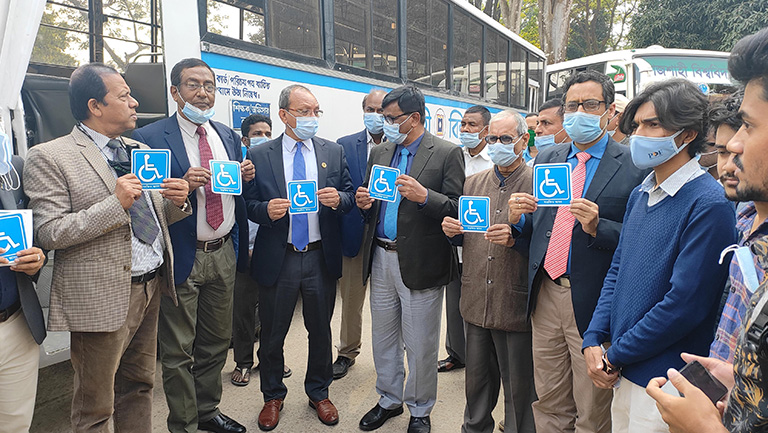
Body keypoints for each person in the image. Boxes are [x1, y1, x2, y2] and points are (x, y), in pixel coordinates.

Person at [24, 62, 191, 433]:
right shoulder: (51, 156)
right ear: (95, 106)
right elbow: (49, 231)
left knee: (140, 386)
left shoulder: (138, 148)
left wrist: (177, 202)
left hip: (150, 285)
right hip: (100, 296)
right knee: (95, 407)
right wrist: (115, 205)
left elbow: (150, 215)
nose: (135, 103)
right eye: (124, 96)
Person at [582, 78, 736, 432]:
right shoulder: (641, 193)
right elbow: (617, 271)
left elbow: (684, 305)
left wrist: (614, 354)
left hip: (666, 380)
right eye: (636, 125)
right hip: (624, 370)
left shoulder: (709, 203)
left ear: (687, 134)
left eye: (652, 125)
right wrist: (593, 338)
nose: (639, 135)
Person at [508, 70, 647, 433]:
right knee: (549, 397)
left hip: (594, 301)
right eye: (572, 106)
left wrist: (599, 226)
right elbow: (540, 228)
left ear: (610, 111)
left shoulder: (633, 165)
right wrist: (518, 220)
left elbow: (642, 239)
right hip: (546, 292)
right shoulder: (548, 157)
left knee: (592, 406)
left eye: (590, 104)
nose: (579, 112)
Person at [646, 27, 768, 433]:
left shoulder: (708, 203)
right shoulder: (744, 220)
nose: (732, 147)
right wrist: (742, 378)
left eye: (748, 126)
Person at [132, 58, 252, 433]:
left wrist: (245, 174)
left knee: (216, 342)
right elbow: (140, 208)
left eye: (209, 85)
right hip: (181, 255)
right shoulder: (149, 138)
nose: (203, 93)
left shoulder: (227, 136)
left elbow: (235, 193)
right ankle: (183, 423)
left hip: (223, 251)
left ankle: (207, 411)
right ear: (175, 91)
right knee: (178, 349)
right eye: (193, 85)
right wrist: (182, 186)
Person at [244, 84, 354, 431]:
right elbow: (247, 204)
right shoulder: (260, 155)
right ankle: (272, 396)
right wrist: (265, 211)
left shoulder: (332, 151)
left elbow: (350, 194)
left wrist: (339, 199)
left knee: (320, 331)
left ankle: (318, 392)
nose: (311, 118)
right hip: (281, 257)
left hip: (320, 257)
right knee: (273, 334)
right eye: (304, 111)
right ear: (284, 115)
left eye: (315, 111)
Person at [355, 85, 464, 433]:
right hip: (381, 256)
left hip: (421, 261)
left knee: (420, 343)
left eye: (391, 118)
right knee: (384, 337)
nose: (384, 123)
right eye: (382, 116)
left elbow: (457, 208)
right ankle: (389, 399)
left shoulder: (446, 153)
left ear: (414, 118)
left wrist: (425, 196)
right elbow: (373, 205)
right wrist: (364, 204)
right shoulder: (380, 152)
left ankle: (420, 408)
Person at [442, 109, 536, 433]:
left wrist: (517, 237)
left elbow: (548, 241)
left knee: (519, 390)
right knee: (477, 386)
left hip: (514, 302)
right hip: (476, 299)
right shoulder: (473, 183)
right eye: (492, 138)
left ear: (523, 141)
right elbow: (468, 234)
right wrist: (452, 232)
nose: (497, 145)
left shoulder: (537, 183)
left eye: (505, 139)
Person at [231, 114, 292, 386]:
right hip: (245, 250)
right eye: (257, 133)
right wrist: (245, 247)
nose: (264, 138)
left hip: (270, 250)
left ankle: (271, 358)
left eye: (267, 133)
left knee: (273, 311)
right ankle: (243, 362)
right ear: (245, 140)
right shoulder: (235, 169)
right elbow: (239, 208)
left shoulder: (272, 162)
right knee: (243, 310)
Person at [333, 89, 387, 380]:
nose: (376, 116)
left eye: (381, 111)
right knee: (351, 299)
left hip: (388, 234)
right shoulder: (344, 145)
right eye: (371, 110)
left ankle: (391, 354)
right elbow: (341, 188)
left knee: (389, 300)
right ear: (363, 110)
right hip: (354, 232)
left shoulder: (400, 146)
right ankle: (347, 351)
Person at [439, 105, 493, 374]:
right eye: (462, 124)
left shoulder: (493, 160)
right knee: (454, 301)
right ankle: (456, 353)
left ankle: (483, 360)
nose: (465, 129)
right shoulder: (453, 157)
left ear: (486, 130)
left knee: (481, 302)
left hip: (484, 243)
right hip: (454, 240)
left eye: (472, 125)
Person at [0, 154, 46, 433]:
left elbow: (33, 235)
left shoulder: (14, 167)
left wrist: (35, 261)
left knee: (16, 426)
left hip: (17, 323)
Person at [531, 98, 571, 162]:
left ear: (567, 125)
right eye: (538, 123)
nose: (537, 130)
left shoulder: (580, 162)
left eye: (546, 123)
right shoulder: (534, 164)